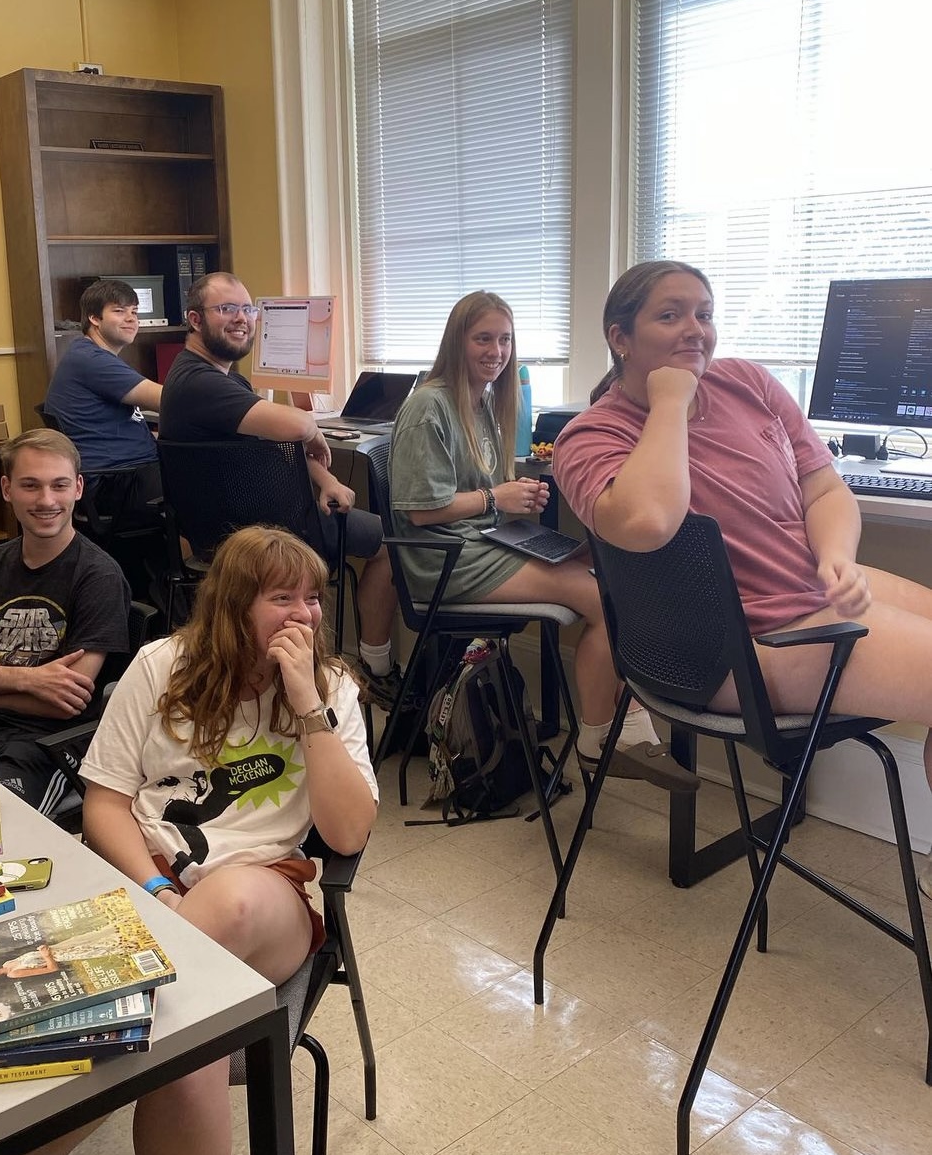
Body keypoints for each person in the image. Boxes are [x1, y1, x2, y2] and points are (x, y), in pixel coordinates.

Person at [0, 525, 378, 1155]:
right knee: (190, 1049)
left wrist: (307, 705)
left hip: (267, 897)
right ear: (235, 605)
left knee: (227, 903)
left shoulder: (331, 689)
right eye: (281, 597)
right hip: (143, 887)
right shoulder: (161, 665)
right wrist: (156, 888)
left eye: (313, 598)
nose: (304, 614)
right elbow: (104, 801)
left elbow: (350, 832)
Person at [553, 259, 932, 897]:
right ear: (620, 337)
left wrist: (835, 553)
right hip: (743, 645)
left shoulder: (751, 382)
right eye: (670, 315)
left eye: (704, 313)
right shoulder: (591, 436)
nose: (695, 329)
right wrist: (670, 400)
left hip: (813, 593)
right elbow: (647, 521)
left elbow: (823, 485)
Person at [388, 290, 694, 789]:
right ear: (457, 341)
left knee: (603, 567)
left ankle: (622, 729)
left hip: (482, 541)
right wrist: (497, 499)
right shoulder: (430, 406)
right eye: (483, 338)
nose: (496, 351)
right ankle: (607, 739)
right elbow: (422, 512)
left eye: (505, 339)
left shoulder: (484, 401)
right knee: (601, 598)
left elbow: (482, 494)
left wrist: (514, 504)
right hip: (444, 560)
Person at [159, 270, 401, 706]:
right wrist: (309, 429)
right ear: (195, 320)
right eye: (226, 309)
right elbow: (296, 425)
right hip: (275, 536)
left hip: (235, 529)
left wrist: (325, 477)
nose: (242, 318)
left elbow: (276, 441)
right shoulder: (202, 382)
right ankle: (377, 667)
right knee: (387, 543)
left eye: (248, 309)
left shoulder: (211, 377)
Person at [0, 428, 132, 818]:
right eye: (30, 485)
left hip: (43, 744)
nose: (46, 500)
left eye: (59, 485)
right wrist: (31, 679)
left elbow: (66, 705)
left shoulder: (98, 576)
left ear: (78, 488)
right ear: (7, 489)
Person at [43, 277, 163, 495]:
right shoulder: (92, 360)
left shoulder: (88, 354)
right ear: (94, 318)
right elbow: (167, 400)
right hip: (117, 482)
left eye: (134, 312)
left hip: (124, 473)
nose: (131, 319)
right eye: (119, 311)